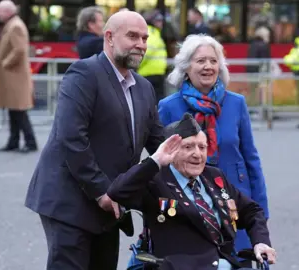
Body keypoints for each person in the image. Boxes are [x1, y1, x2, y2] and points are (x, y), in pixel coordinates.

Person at [24, 11, 165, 270]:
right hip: (70, 200)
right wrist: (101, 190)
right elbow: (71, 138)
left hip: (110, 205)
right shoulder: (84, 73)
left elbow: (158, 142)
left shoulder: (144, 87)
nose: (141, 44)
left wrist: (194, 168)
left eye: (144, 38)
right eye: (133, 36)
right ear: (109, 37)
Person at [108, 113, 276, 269]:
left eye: (202, 147)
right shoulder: (155, 181)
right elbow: (117, 192)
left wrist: (261, 242)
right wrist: (155, 161)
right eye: (188, 147)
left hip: (224, 263)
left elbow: (252, 210)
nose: (197, 154)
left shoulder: (213, 176)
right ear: (171, 151)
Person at [158, 34, 269, 256]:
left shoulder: (236, 103)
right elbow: (160, 163)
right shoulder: (168, 107)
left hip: (235, 198)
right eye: (200, 61)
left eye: (213, 60)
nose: (208, 66)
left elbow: (250, 158)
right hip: (187, 204)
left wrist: (261, 211)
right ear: (186, 67)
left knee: (237, 259)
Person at [0, 0, 37, 153]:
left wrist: (5, 63)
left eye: (0, 11)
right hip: (13, 76)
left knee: (19, 111)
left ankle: (30, 142)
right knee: (14, 111)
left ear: (8, 12)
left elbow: (19, 50)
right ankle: (14, 141)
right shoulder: (13, 24)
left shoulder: (15, 26)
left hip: (15, 76)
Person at [137, 9, 168, 102]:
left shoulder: (155, 33)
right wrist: (135, 67)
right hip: (149, 75)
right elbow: (144, 53)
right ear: (152, 21)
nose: (161, 23)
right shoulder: (151, 33)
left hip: (155, 74)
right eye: (158, 20)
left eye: (161, 20)